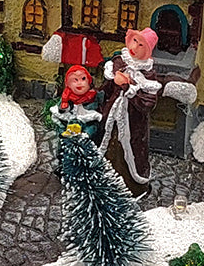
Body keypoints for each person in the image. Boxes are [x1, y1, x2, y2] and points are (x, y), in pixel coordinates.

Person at [99, 28, 162, 196]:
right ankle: (104, 184)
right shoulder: (119, 62)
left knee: (131, 153)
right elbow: (106, 89)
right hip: (111, 116)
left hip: (134, 123)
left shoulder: (148, 75)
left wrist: (127, 86)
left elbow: (147, 103)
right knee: (108, 146)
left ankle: (130, 188)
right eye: (135, 41)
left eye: (141, 45)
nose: (135, 47)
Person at [49, 65, 102, 140]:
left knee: (93, 127)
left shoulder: (92, 97)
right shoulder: (66, 98)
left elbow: (95, 117)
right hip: (68, 127)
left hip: (85, 127)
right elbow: (59, 112)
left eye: (83, 79)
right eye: (75, 80)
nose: (79, 83)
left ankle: (85, 137)